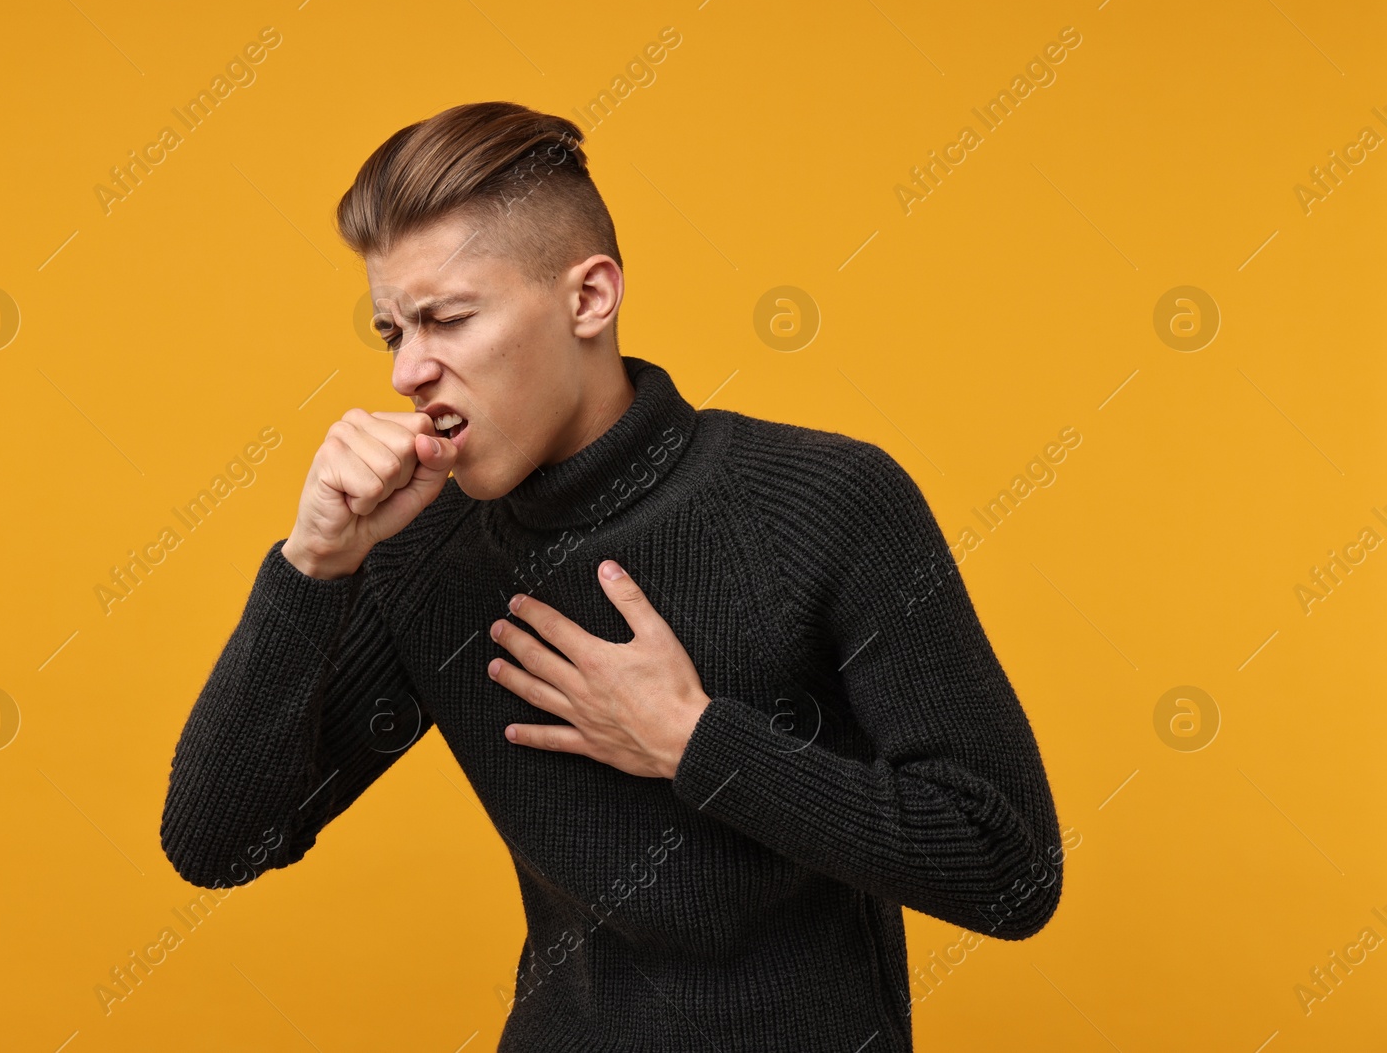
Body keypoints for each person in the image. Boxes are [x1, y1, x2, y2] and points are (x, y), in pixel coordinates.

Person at [160, 100, 1065, 1052]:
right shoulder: (425, 550)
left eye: (449, 320)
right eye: (392, 331)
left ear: (589, 298)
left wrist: (693, 740)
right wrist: (312, 564)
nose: (408, 372)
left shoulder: (828, 501)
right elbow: (217, 844)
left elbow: (1009, 869)